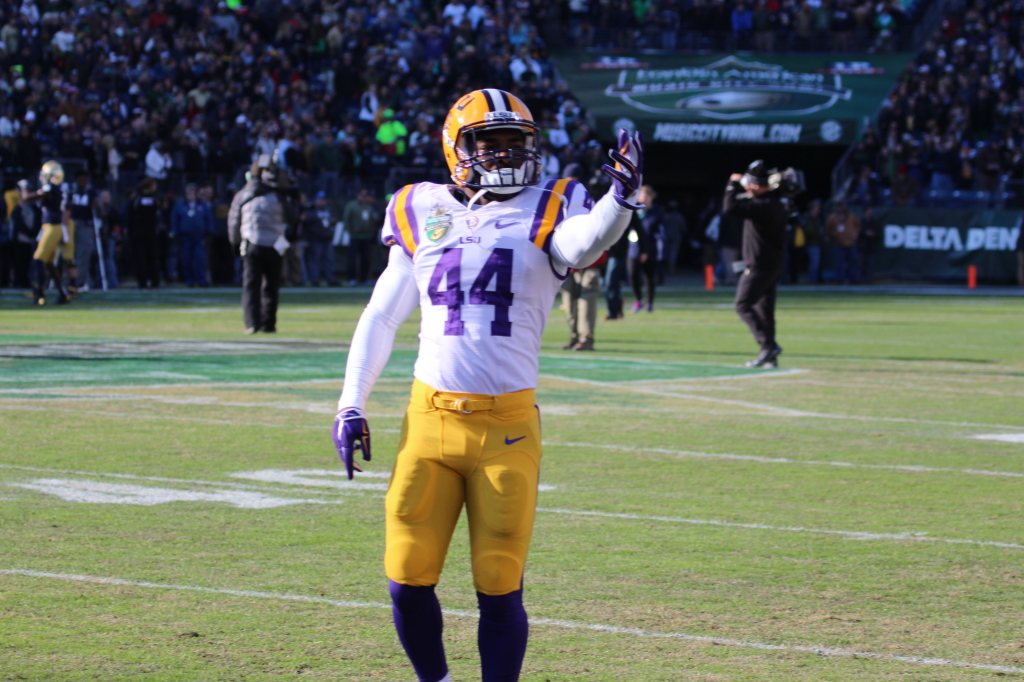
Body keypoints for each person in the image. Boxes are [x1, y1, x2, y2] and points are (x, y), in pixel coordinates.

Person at [332, 89, 644, 682]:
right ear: (457, 147)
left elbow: (584, 244)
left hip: (505, 428)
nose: (504, 153)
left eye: (515, 141)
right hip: (429, 422)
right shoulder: (418, 207)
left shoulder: (554, 204)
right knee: (405, 576)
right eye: (489, 141)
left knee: (500, 586)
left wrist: (619, 199)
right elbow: (380, 316)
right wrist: (351, 402)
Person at [723, 160, 788, 368]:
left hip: (759, 265)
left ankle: (768, 346)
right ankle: (770, 355)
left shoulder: (764, 205)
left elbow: (730, 206)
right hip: (772, 264)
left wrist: (732, 185)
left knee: (742, 305)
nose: (748, 187)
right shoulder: (773, 203)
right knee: (765, 312)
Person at [228, 155, 298, 334]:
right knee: (271, 286)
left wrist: (235, 242)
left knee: (251, 286)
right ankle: (269, 324)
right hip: (275, 245)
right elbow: (292, 218)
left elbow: (234, 219)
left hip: (252, 242)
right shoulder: (280, 196)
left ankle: (252, 323)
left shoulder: (244, 193)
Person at [560, 173, 608, 350]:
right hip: (567, 263)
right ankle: (575, 336)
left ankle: (586, 338)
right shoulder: (557, 205)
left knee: (586, 300)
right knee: (569, 302)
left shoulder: (591, 204)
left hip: (590, 261)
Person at [25, 160, 71, 305]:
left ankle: (39, 293)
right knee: (50, 264)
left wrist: (24, 187)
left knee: (38, 260)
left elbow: (27, 198)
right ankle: (63, 294)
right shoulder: (57, 188)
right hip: (54, 227)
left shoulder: (50, 188)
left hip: (52, 227)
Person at [170, 183, 214, 287]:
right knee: (186, 260)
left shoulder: (202, 205)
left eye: (192, 191)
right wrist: (176, 233)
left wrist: (209, 233)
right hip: (185, 237)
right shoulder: (180, 205)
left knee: (200, 259)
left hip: (199, 237)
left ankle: (201, 280)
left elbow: (209, 219)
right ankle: (189, 280)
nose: (190, 193)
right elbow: (174, 220)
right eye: (188, 191)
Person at [628, 185, 659, 312]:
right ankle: (638, 300)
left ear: (651, 198)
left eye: (646, 196)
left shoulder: (656, 212)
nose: (644, 199)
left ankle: (650, 303)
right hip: (634, 248)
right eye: (642, 196)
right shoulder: (634, 210)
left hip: (650, 248)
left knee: (649, 277)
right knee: (632, 275)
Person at [128, 177, 162, 289]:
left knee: (141, 258)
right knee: (152, 258)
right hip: (150, 233)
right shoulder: (155, 198)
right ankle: (154, 282)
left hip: (139, 234)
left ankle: (143, 282)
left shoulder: (137, 198)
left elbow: (130, 216)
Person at [341, 187, 378, 286]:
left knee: (366, 259)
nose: (364, 197)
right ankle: (351, 278)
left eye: (366, 195)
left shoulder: (368, 207)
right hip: (355, 236)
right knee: (352, 258)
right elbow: (346, 219)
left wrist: (370, 233)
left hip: (366, 237)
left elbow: (372, 221)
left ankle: (364, 279)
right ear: (358, 195)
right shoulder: (352, 206)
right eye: (362, 195)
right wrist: (350, 231)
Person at [68, 170, 96, 292]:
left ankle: (80, 281)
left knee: (83, 253)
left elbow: (97, 207)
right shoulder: (70, 191)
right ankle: (69, 280)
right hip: (71, 224)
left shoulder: (91, 192)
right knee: (68, 254)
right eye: (80, 178)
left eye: (84, 178)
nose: (82, 181)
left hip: (85, 225)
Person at [304, 191, 340, 287]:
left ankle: (331, 279)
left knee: (329, 260)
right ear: (316, 200)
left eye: (323, 200)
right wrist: (307, 239)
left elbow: (333, 221)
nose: (322, 201)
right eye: (320, 199)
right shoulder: (311, 211)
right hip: (315, 239)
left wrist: (333, 222)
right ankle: (314, 280)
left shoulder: (328, 210)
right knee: (314, 261)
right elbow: (306, 226)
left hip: (327, 239)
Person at [826, 199, 861, 284]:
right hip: (839, 244)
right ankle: (840, 280)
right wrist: (835, 235)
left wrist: (855, 234)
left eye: (842, 206)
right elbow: (828, 228)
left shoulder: (851, 216)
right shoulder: (833, 217)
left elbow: (858, 226)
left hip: (851, 243)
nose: (841, 208)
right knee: (839, 264)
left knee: (852, 262)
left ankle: (853, 279)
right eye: (840, 206)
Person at [858, 205, 881, 284]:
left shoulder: (874, 222)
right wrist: (865, 233)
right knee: (860, 264)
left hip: (871, 247)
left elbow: (879, 234)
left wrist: (873, 234)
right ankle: (859, 280)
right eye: (868, 212)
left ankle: (869, 280)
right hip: (862, 247)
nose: (869, 214)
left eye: (870, 212)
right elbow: (857, 233)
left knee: (870, 265)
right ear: (864, 213)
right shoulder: (861, 222)